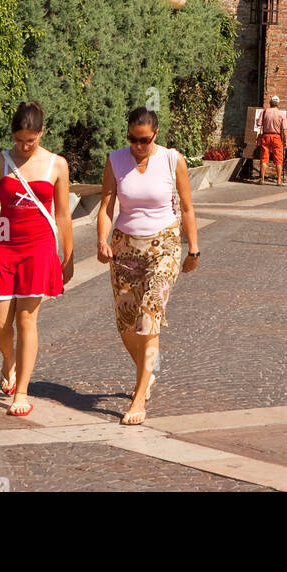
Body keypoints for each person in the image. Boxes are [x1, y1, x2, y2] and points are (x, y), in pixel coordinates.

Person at [0, 100, 73, 417]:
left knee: (27, 320)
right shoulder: (0, 161)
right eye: (19, 140)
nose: (24, 146)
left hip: (39, 250)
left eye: (31, 140)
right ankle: (8, 359)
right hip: (6, 248)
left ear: (42, 133)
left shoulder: (57, 165)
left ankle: (21, 392)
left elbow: (63, 215)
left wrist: (69, 255)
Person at [97, 107, 200, 425]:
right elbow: (106, 206)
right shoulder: (116, 160)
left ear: (156, 135)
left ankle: (139, 397)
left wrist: (193, 250)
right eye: (132, 139)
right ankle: (147, 370)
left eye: (143, 140)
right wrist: (102, 240)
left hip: (164, 246)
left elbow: (186, 207)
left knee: (148, 318)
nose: (137, 146)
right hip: (124, 247)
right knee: (126, 325)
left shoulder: (172, 160)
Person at [258, 94, 287, 184]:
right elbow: (284, 130)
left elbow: (259, 125)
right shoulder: (281, 114)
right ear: (278, 104)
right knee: (278, 159)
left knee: (264, 158)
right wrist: (285, 141)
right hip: (276, 137)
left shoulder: (264, 112)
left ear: (270, 103)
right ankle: (279, 180)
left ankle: (262, 179)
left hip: (266, 136)